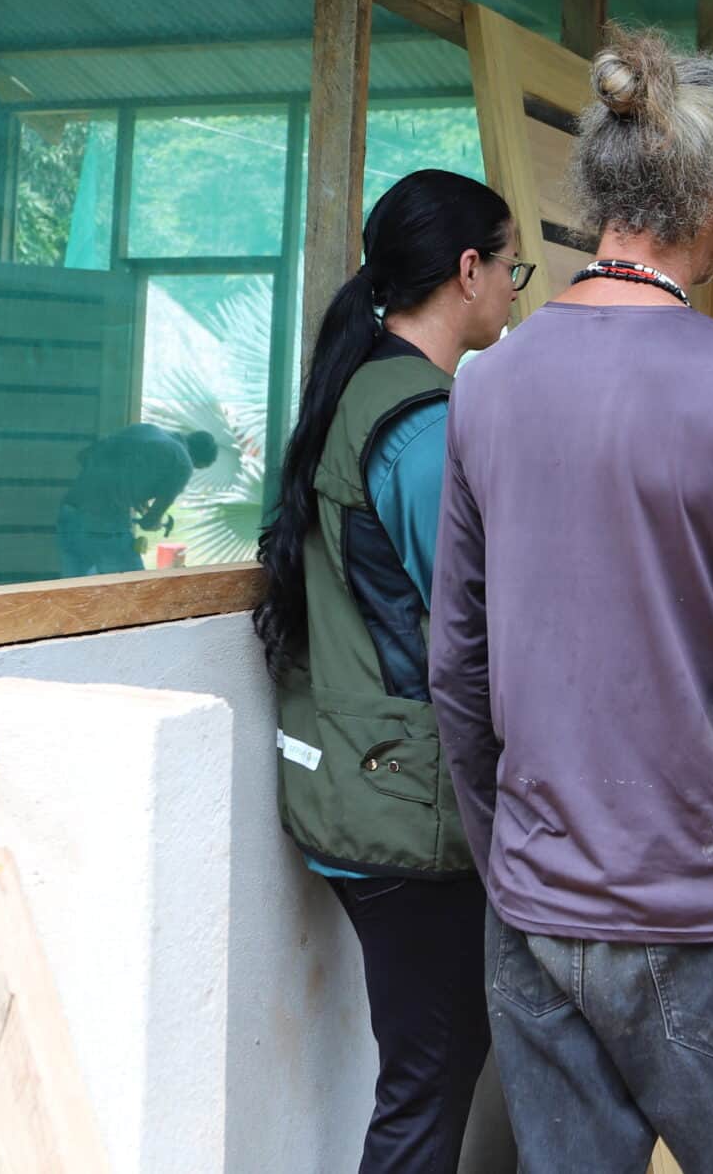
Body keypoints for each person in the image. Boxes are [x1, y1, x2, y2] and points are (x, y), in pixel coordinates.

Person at [428, 32, 713, 1174]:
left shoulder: (488, 386)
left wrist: (516, 867)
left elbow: (456, 671)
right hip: (712, 915)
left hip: (537, 913)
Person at [251, 169, 526, 1174]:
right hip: (406, 808)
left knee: (436, 1061)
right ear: (467, 271)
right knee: (428, 1080)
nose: (512, 290)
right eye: (510, 269)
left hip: (352, 781)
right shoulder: (422, 423)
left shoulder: (359, 387)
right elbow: (480, 619)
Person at [55, 423, 217, 575]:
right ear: (197, 460)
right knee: (136, 589)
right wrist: (155, 522)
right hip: (105, 525)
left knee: (74, 591)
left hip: (70, 512)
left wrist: (131, 495)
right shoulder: (182, 463)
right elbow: (148, 522)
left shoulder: (144, 429)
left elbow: (83, 456)